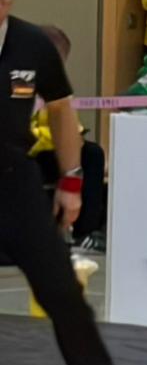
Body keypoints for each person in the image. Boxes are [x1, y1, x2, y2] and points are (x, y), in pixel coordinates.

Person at [0, 0, 147, 365]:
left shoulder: (32, 44)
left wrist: (70, 180)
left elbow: (62, 111)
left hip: (15, 183)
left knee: (62, 288)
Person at [29, 25, 106, 252]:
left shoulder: (56, 88)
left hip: (50, 150)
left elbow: (71, 126)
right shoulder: (19, 82)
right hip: (27, 152)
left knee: (91, 154)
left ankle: (85, 232)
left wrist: (74, 142)